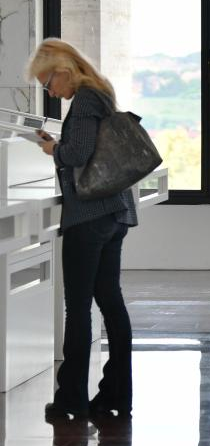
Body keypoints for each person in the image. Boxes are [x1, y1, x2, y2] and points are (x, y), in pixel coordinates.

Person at [28, 38, 137, 422]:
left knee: (77, 308)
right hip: (113, 213)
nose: (50, 92)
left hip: (90, 217)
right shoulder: (101, 91)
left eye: (48, 83)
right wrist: (63, 145)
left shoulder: (87, 100)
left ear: (63, 70)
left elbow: (78, 154)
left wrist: (53, 150)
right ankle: (116, 394)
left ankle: (70, 400)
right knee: (110, 301)